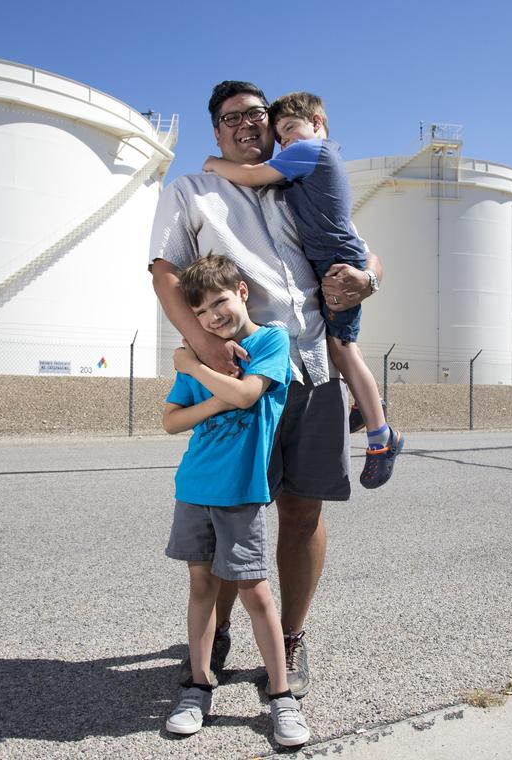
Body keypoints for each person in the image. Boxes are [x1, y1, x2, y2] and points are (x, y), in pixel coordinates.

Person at [149, 81, 382, 699]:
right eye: (232, 118)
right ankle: (218, 636)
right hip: (243, 372)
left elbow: (363, 252)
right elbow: (166, 270)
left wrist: (366, 279)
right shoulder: (192, 191)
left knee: (304, 510)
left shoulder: (299, 177)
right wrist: (204, 349)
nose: (246, 123)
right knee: (234, 506)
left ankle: (292, 640)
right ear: (217, 131)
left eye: (257, 113)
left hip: (312, 366)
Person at [202, 91, 403, 489]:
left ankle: (382, 437)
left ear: (318, 122)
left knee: (342, 349)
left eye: (291, 129)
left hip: (336, 265)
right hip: (329, 261)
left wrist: (213, 163)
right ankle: (367, 406)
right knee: (341, 346)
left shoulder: (312, 153)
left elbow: (254, 174)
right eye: (282, 137)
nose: (287, 141)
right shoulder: (307, 167)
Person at [160, 255, 309, 746]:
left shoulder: (270, 339)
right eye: (200, 312)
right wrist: (199, 373)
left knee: (254, 592)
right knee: (201, 585)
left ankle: (281, 697)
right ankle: (198, 685)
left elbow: (249, 396)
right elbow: (171, 421)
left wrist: (193, 368)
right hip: (194, 487)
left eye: (219, 301)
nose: (212, 317)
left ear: (241, 292)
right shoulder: (199, 354)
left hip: (242, 492)